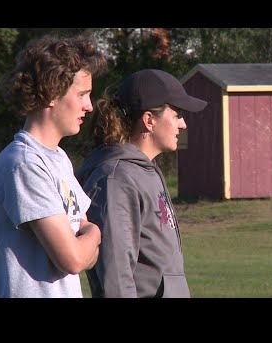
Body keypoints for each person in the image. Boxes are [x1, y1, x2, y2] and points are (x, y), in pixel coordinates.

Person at [0, 34, 107, 298]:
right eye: (83, 94)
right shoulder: (23, 164)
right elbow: (74, 260)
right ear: (53, 93)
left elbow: (86, 247)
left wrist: (87, 237)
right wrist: (96, 232)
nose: (89, 106)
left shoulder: (58, 159)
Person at [76, 69, 208, 298]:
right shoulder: (117, 180)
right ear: (149, 121)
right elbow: (116, 277)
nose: (183, 124)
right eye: (177, 115)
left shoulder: (144, 171)